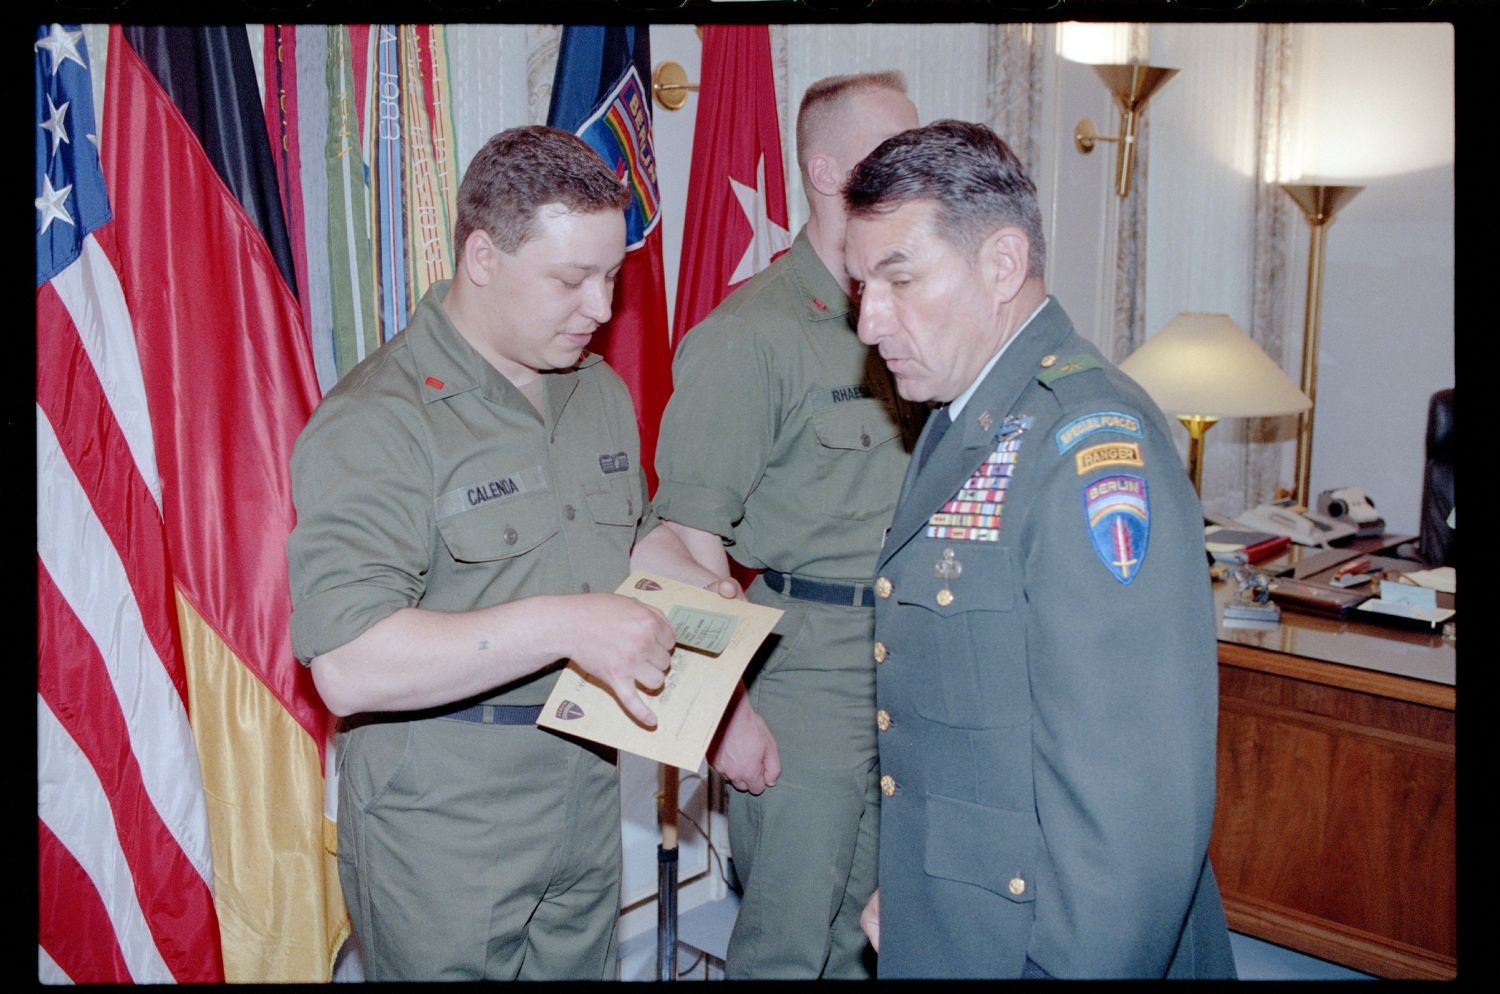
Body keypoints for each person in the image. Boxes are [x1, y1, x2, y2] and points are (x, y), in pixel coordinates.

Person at [287, 126, 735, 981]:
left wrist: (696, 580)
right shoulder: (378, 420)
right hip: (442, 818)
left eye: (611, 277)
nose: (601, 310)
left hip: (582, 785)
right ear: (482, 256)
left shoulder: (594, 390)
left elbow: (618, 535)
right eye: (571, 280)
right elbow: (347, 664)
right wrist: (565, 624)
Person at [843, 120, 1237, 980]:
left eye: (898, 279)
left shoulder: (1087, 445)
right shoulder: (964, 420)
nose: (869, 321)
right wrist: (914, 887)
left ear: (1002, 264)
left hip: (1054, 946)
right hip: (966, 911)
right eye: (860, 284)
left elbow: (1131, 810)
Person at [651, 72, 923, 979]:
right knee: (791, 946)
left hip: (910, 656)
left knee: (887, 933)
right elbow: (679, 543)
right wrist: (719, 715)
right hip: (804, 674)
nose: (918, 171)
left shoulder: (913, 317)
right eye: (895, 153)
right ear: (824, 169)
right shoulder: (753, 335)